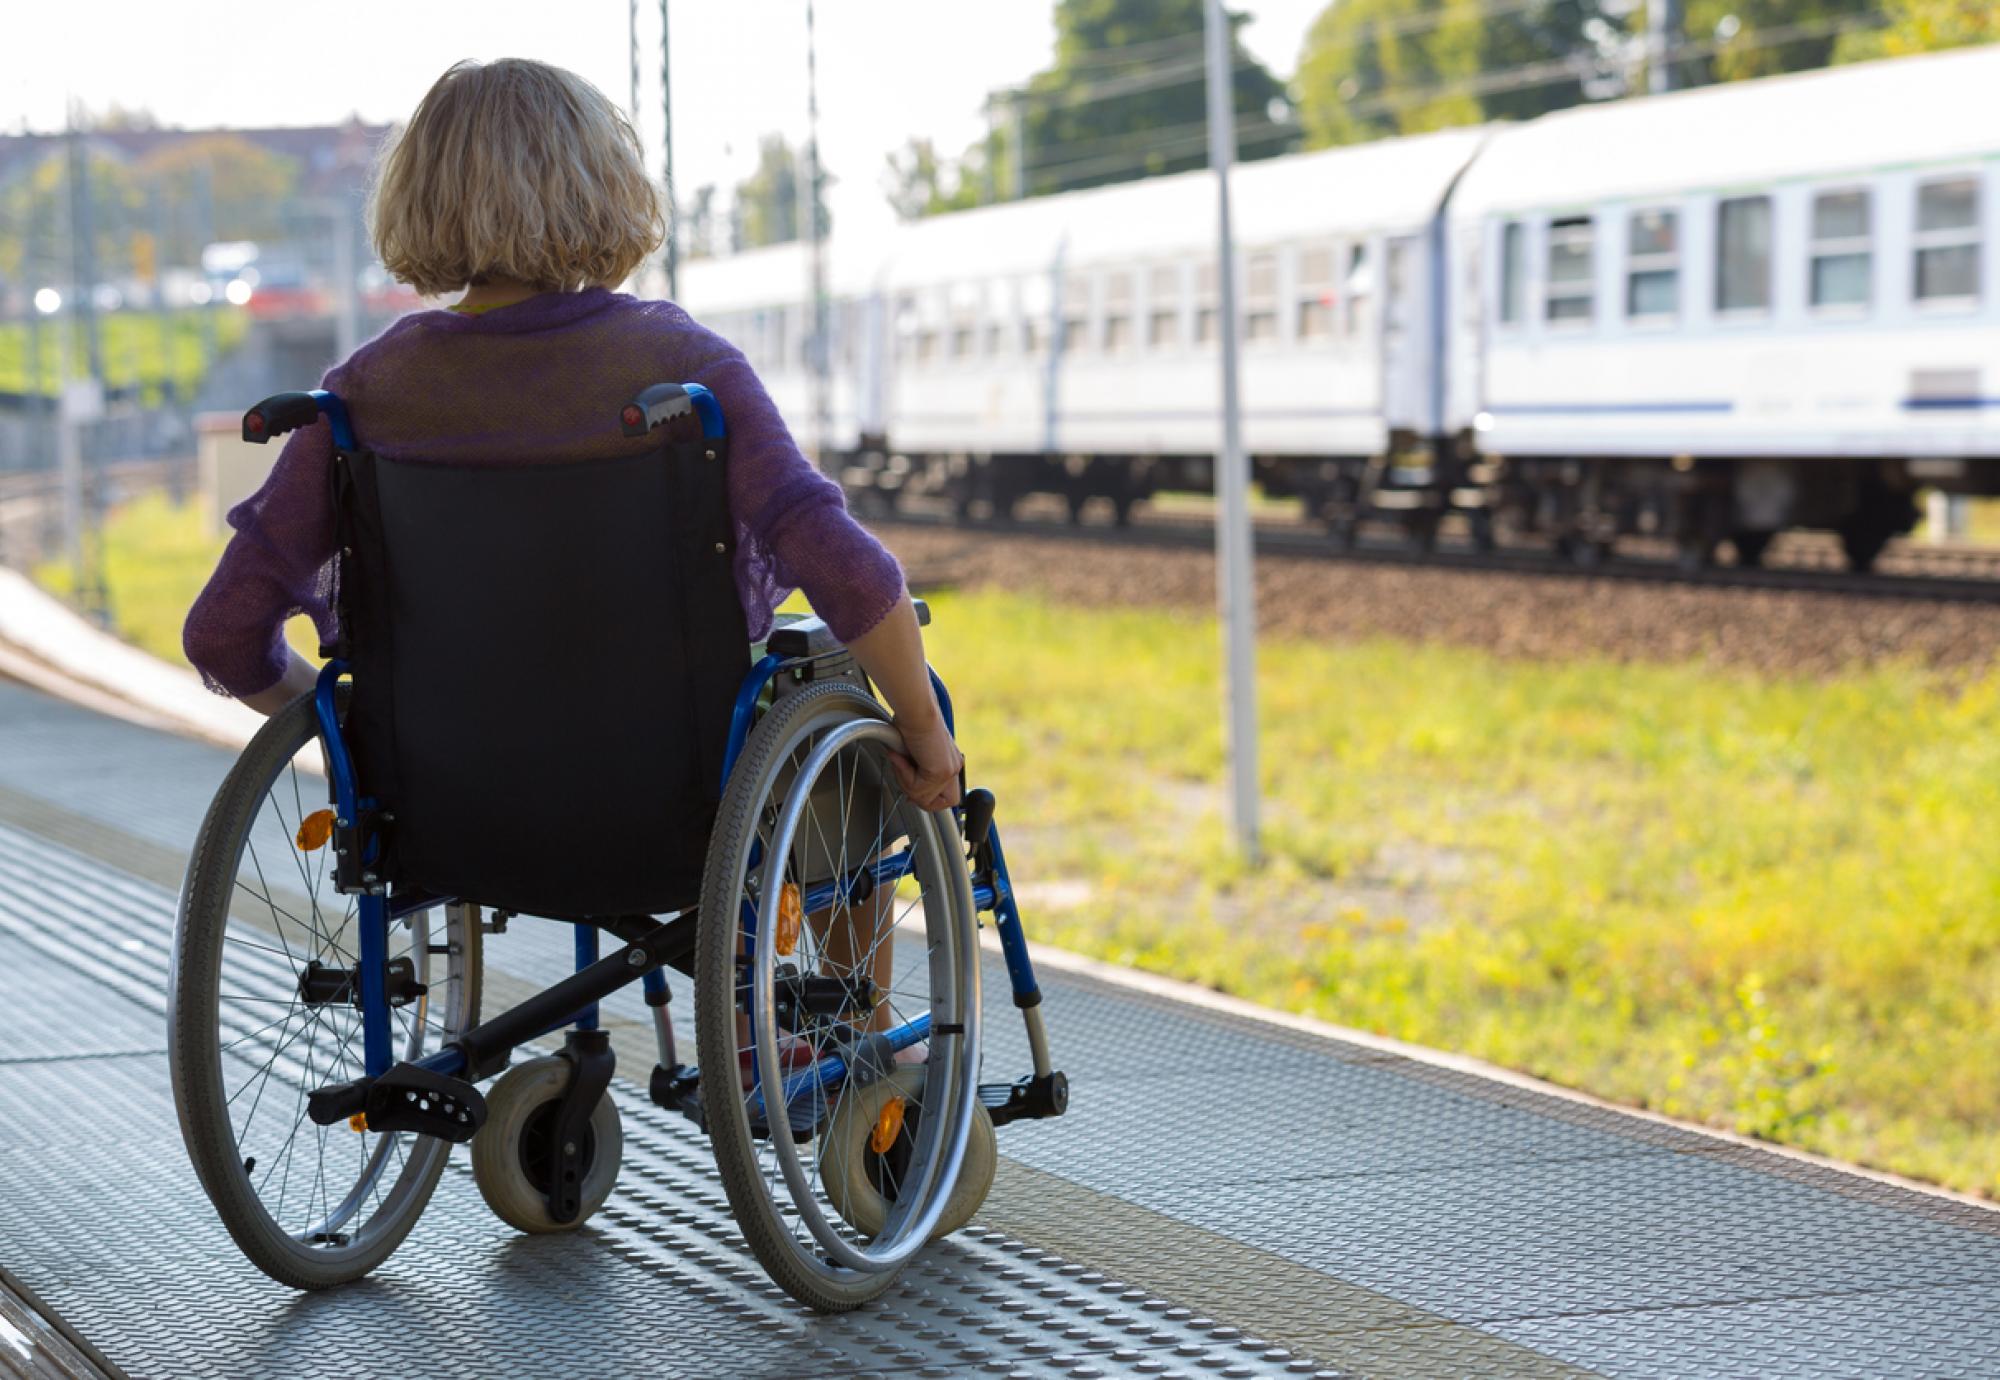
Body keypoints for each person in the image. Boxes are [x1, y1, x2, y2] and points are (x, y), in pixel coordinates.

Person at [181, 57, 962, 816]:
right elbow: (846, 570)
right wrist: (926, 734)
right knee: (851, 756)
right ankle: (826, 949)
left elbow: (222, 634)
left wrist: (349, 743)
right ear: (606, 191)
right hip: (676, 806)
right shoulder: (681, 373)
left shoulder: (364, 396)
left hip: (447, 813)